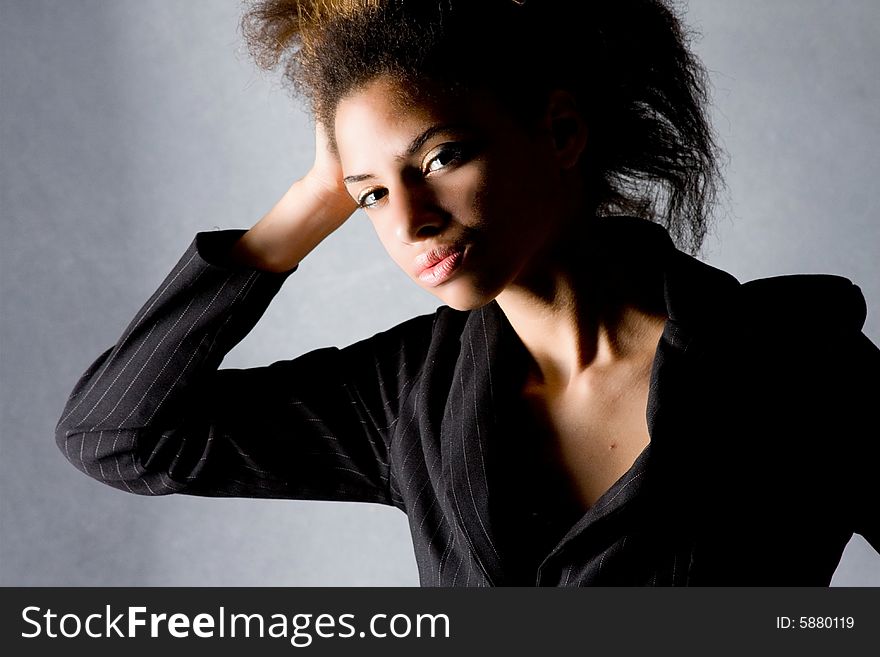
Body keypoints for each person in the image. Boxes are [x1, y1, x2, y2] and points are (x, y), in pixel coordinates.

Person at [54, 0, 878, 586]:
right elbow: (120, 434)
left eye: (441, 158)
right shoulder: (408, 396)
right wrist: (313, 197)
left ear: (560, 132)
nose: (409, 221)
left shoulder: (793, 361)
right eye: (372, 193)